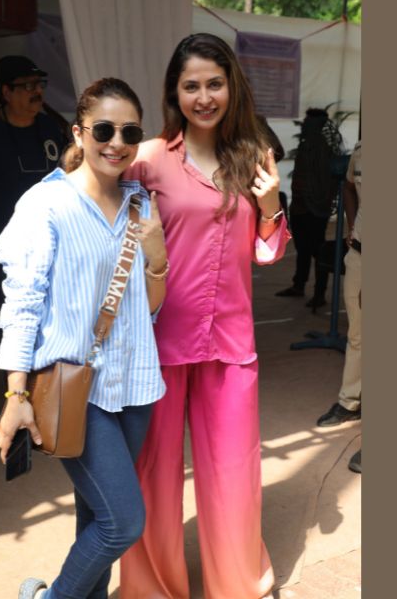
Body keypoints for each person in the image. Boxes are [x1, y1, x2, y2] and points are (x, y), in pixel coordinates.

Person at [119, 33, 289, 599]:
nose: (204, 97)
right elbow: (110, 234)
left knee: (234, 473)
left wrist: (270, 206)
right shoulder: (147, 159)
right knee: (153, 476)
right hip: (158, 344)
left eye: (214, 84)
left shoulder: (253, 157)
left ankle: (237, 584)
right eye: (191, 85)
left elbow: (266, 252)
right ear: (175, 92)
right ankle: (151, 588)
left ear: (231, 86)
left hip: (230, 342)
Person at [0, 78, 168, 599]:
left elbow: (149, 308)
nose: (117, 143)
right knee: (122, 522)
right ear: (78, 132)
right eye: (104, 130)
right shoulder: (45, 204)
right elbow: (22, 303)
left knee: (96, 514)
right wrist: (16, 394)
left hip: (135, 382)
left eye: (130, 132)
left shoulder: (140, 204)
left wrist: (157, 257)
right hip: (75, 387)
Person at [0, 55, 68, 306]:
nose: (37, 91)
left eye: (39, 84)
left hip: (53, 239)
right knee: (16, 312)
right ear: (6, 92)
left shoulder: (51, 127)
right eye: (28, 85)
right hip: (7, 244)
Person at [316, 141, 362, 473]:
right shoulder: (361, 151)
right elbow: (348, 185)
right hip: (360, 252)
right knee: (358, 335)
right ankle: (351, 401)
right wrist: (352, 222)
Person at [275, 107, 343, 308]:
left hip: (314, 210)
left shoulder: (322, 150)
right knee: (302, 249)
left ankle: (319, 294)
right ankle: (299, 285)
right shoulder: (306, 147)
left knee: (317, 251)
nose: (303, 126)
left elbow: (327, 184)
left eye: (307, 123)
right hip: (300, 207)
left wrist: (318, 203)